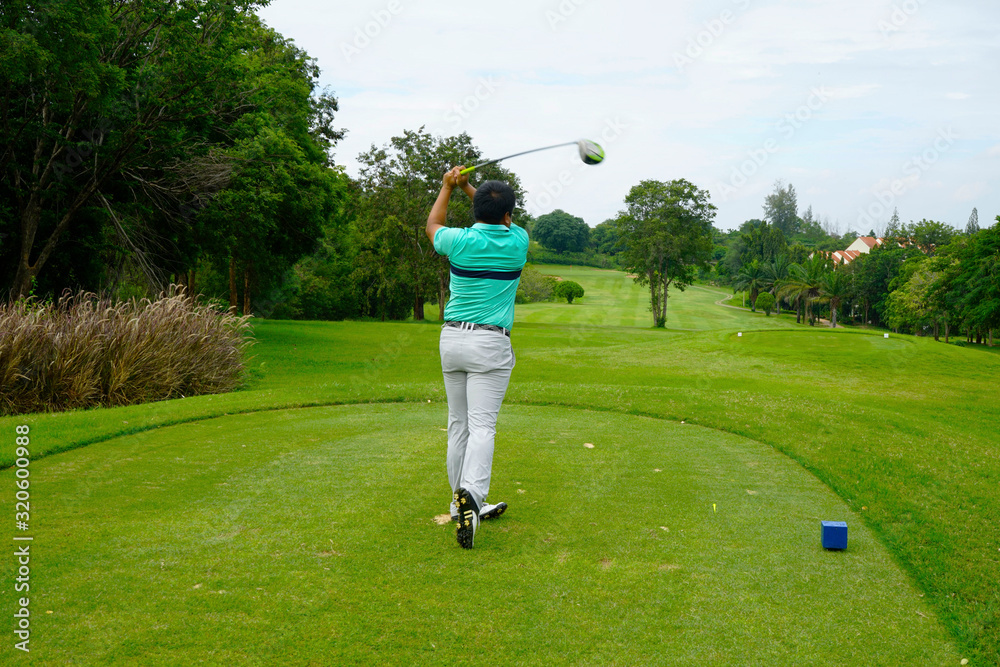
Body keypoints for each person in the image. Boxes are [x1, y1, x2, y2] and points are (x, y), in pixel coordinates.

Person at [425, 166, 529, 549]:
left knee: (458, 425)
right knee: (483, 426)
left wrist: (448, 186)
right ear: (508, 215)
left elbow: (433, 224)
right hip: (490, 344)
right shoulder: (518, 240)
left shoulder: (457, 241)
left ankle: (459, 505)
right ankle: (471, 494)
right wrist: (469, 187)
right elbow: (494, 213)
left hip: (452, 340)